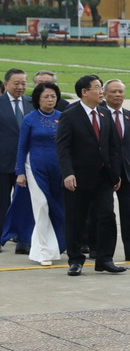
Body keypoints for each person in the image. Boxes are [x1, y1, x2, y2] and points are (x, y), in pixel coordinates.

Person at [55, 75, 125, 276]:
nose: (101, 91)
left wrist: (115, 174)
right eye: (96, 88)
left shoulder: (104, 114)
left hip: (103, 177)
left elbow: (113, 147)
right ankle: (75, 260)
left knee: (106, 216)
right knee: (76, 220)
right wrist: (68, 173)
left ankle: (105, 259)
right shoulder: (70, 114)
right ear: (84, 92)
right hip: (78, 178)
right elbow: (63, 147)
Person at [6, 81, 64, 266]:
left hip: (58, 169)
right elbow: (22, 147)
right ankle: (42, 252)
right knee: (41, 206)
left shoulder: (63, 117)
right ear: (38, 99)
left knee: (57, 208)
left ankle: (54, 247)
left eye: (53, 96)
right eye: (46, 96)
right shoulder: (30, 119)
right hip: (35, 167)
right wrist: (20, 172)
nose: (50, 100)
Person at [99, 79, 130, 262]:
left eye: (121, 92)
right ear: (104, 94)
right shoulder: (100, 115)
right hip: (106, 173)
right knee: (105, 214)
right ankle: (103, 251)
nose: (118, 95)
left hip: (128, 172)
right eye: (114, 92)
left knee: (129, 213)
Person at [1, 68, 31, 253]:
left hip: (26, 163)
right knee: (2, 202)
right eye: (16, 83)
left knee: (24, 202)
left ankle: (23, 239)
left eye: (24, 83)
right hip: (3, 162)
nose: (21, 87)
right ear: (6, 84)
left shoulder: (32, 103)